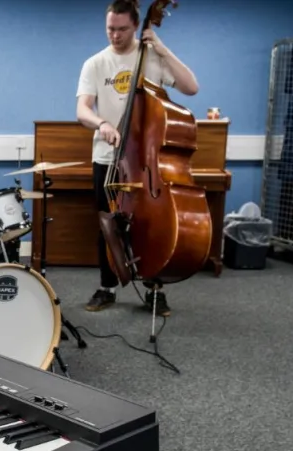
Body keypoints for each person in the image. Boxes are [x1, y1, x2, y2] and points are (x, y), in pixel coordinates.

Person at [76, 0, 199, 316]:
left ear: (135, 27)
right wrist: (102, 123)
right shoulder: (95, 63)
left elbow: (191, 87)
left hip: (146, 161)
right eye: (110, 29)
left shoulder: (153, 58)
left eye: (122, 29)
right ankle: (107, 287)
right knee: (108, 222)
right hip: (108, 158)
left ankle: (154, 288)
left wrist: (161, 47)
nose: (115, 36)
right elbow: (82, 110)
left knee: (149, 224)